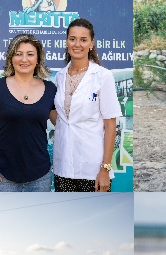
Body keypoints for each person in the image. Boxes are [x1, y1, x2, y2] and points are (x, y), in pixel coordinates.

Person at [0, 33, 57, 192]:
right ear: (11, 58)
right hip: (1, 176)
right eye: (18, 54)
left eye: (30, 54)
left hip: (40, 176)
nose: (24, 59)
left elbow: (61, 124)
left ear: (38, 59)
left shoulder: (51, 90)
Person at [52, 18, 121, 192]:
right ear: (66, 42)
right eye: (72, 38)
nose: (77, 44)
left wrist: (105, 168)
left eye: (83, 40)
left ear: (91, 43)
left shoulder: (102, 76)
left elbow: (110, 125)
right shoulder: (59, 77)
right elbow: (61, 118)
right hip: (63, 168)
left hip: (93, 170)